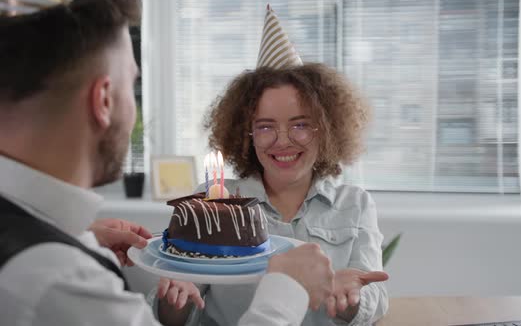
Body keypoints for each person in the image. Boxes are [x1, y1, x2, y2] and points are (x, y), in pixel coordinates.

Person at [0, 0, 334, 325]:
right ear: (103, 100)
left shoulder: (42, 251)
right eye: (132, 84)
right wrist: (286, 291)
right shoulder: (59, 279)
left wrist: (83, 239)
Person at [154, 62, 390, 326]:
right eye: (266, 127)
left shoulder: (355, 204)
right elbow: (173, 312)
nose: (283, 140)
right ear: (247, 135)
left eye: (300, 125)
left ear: (325, 130)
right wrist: (177, 300)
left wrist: (351, 298)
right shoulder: (214, 200)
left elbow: (375, 297)